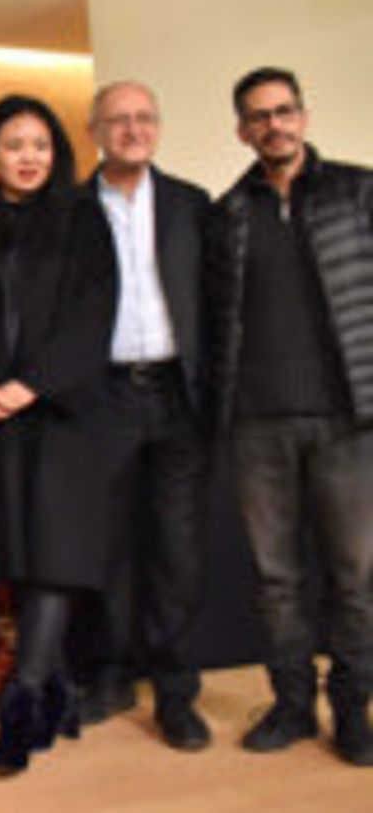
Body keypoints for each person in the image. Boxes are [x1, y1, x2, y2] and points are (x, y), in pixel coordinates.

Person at [209, 66, 373, 766]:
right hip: (256, 423)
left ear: (302, 116)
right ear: (243, 130)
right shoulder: (228, 213)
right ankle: (292, 705)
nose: (273, 124)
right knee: (276, 580)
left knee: (355, 577)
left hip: (349, 419)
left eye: (284, 111)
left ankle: (355, 712)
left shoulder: (359, 191)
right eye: (258, 116)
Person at [0, 94, 117, 775]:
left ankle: (22, 698)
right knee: (18, 555)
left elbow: (95, 313)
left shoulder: (83, 217)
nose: (29, 157)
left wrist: (35, 383)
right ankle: (58, 688)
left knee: (55, 555)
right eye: (15, 144)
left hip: (64, 413)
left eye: (41, 145)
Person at [75, 81, 212, 750]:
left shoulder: (192, 204)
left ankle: (177, 692)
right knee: (108, 544)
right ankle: (110, 673)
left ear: (156, 126)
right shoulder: (69, 209)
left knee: (177, 549)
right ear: (94, 129)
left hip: (175, 396)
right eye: (118, 120)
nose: (132, 129)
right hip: (101, 396)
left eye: (143, 118)